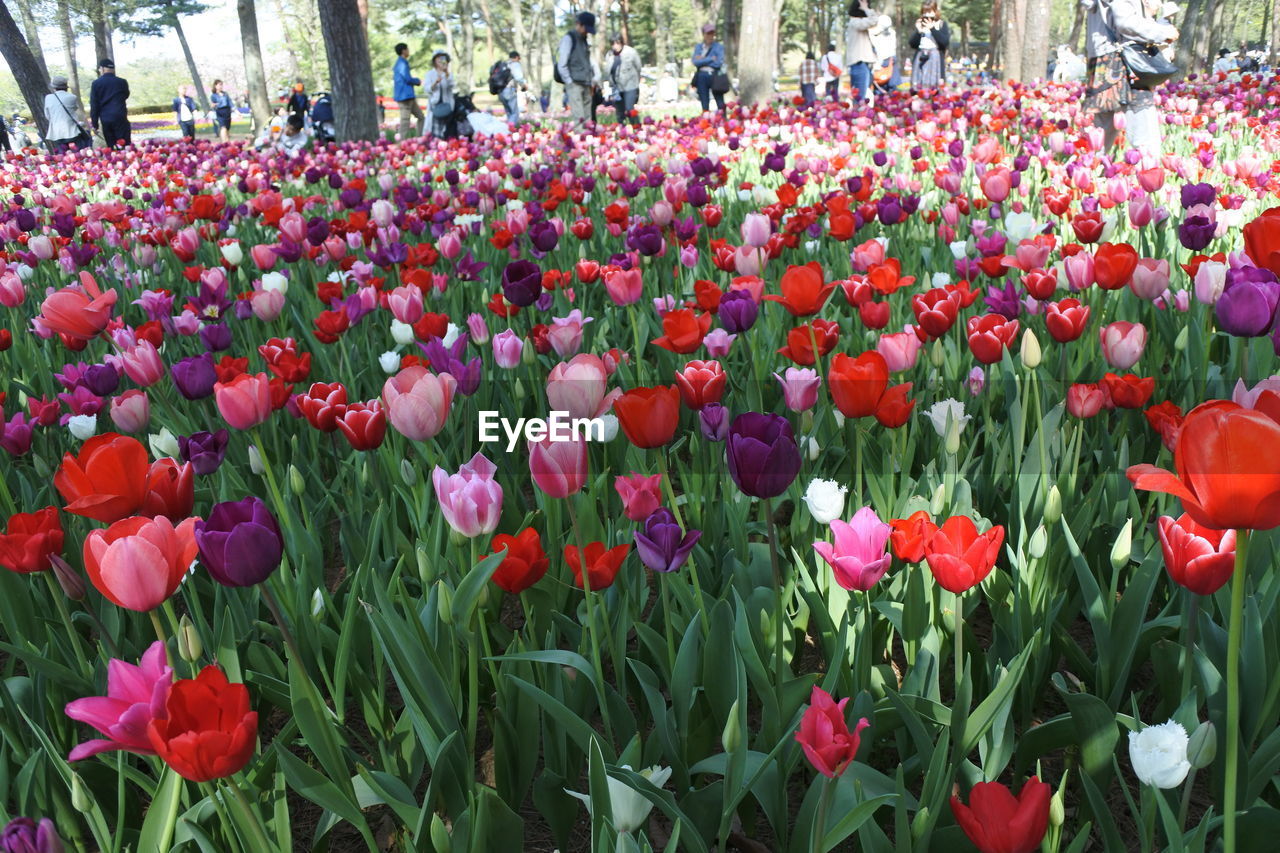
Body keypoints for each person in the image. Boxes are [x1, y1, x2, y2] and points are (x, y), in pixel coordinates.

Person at [1082, 0, 1177, 159]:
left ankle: (1093, 173)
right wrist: (1162, 32)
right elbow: (1125, 22)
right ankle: (1150, 175)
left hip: (1100, 61)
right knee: (1144, 134)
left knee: (1102, 133)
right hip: (1124, 63)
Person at [557, 11, 597, 124]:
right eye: (586, 28)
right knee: (579, 116)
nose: (587, 32)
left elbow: (587, 62)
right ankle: (580, 138)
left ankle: (590, 137)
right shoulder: (569, 38)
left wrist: (591, 82)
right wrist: (569, 82)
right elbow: (562, 63)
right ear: (579, 24)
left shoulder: (584, 40)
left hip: (586, 82)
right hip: (574, 83)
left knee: (588, 116)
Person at [89, 58, 131, 147]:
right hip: (121, 117)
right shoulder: (122, 82)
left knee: (111, 146)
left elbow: (94, 105)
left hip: (106, 119)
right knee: (124, 146)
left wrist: (95, 124)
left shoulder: (96, 83)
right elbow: (126, 95)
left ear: (103, 69)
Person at [908, 3, 950, 90]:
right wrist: (919, 31)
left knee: (935, 88)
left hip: (935, 59)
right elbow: (912, 44)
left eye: (929, 12)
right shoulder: (920, 25)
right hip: (920, 58)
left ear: (935, 12)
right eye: (924, 12)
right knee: (917, 86)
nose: (927, 15)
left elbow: (944, 42)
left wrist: (932, 28)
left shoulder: (941, 24)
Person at [44, 75, 90, 153]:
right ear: (66, 87)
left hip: (57, 132)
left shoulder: (48, 98)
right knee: (78, 153)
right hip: (71, 131)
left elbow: (47, 115)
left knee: (62, 154)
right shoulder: (72, 97)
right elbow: (75, 109)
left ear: (54, 87)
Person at [845, 4, 877, 102]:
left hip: (861, 63)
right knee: (859, 98)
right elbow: (874, 20)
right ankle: (857, 116)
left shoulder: (856, 24)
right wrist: (866, 8)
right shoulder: (856, 22)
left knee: (859, 97)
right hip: (859, 63)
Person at [691, 23, 726, 112]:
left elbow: (718, 63)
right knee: (704, 101)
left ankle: (723, 120)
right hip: (702, 76)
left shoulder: (718, 47)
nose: (710, 36)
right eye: (708, 33)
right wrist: (710, 59)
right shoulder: (699, 47)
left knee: (720, 102)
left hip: (715, 76)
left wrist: (703, 60)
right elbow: (695, 62)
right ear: (704, 34)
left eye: (712, 33)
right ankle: (705, 120)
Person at [608, 35, 643, 124]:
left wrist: (637, 80)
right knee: (619, 111)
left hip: (630, 84)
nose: (615, 46)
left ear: (622, 42)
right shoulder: (609, 54)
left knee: (629, 108)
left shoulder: (631, 52)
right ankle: (622, 130)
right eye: (613, 44)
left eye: (617, 43)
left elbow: (638, 67)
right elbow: (608, 71)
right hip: (616, 86)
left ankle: (636, 126)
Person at [393, 42, 424, 139]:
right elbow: (407, 78)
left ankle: (420, 138)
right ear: (403, 51)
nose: (408, 51)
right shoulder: (402, 63)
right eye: (407, 49)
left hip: (408, 96)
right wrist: (417, 81)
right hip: (404, 96)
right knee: (405, 120)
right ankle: (402, 142)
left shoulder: (400, 63)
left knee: (421, 117)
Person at [424, 51, 455, 137]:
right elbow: (427, 89)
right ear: (435, 61)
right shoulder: (430, 74)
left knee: (447, 128)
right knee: (435, 129)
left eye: (443, 58)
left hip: (447, 104)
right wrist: (435, 83)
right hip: (435, 105)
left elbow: (452, 85)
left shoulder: (448, 74)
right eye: (439, 58)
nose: (441, 60)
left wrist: (447, 73)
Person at [870, 12, 899, 94]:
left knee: (892, 87)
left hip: (889, 61)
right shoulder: (874, 34)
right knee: (879, 86)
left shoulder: (891, 33)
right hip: (879, 63)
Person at [499, 50, 528, 124]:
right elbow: (518, 77)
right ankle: (511, 130)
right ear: (517, 57)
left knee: (509, 112)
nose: (519, 60)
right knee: (514, 113)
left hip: (500, 91)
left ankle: (507, 132)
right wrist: (524, 85)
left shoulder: (504, 64)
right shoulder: (515, 64)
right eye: (519, 59)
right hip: (509, 90)